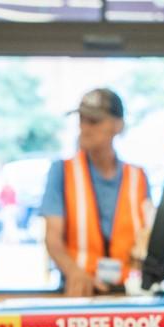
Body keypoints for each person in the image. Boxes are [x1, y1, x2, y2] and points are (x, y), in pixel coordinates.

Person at [41, 88, 154, 296]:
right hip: (81, 292)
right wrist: (75, 273)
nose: (84, 128)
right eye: (81, 120)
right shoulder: (62, 172)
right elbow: (53, 238)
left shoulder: (138, 177)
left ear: (117, 126)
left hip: (128, 293)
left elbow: (147, 238)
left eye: (94, 121)